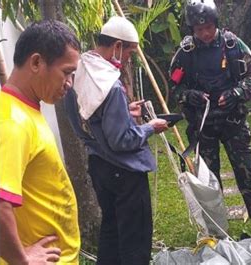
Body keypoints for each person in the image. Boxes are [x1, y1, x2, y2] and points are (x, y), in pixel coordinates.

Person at [168, 0, 251, 240]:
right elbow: (175, 87)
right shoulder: (185, 53)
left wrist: (236, 93)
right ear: (192, 30)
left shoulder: (233, 45)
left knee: (246, 172)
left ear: (216, 24)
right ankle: (216, 222)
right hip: (203, 126)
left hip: (234, 123)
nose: (205, 34)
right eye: (199, 30)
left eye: (208, 28)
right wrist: (190, 96)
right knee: (209, 177)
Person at [64, 16, 168, 265]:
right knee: (135, 238)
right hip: (125, 173)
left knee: (111, 229)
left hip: (99, 167)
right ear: (118, 46)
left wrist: (124, 110)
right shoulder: (110, 84)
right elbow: (121, 140)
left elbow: (88, 120)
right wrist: (150, 128)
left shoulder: (79, 70)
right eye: (130, 53)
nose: (128, 59)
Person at [0, 20, 81, 264]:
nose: (69, 83)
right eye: (66, 72)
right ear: (36, 62)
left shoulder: (27, 111)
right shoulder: (12, 122)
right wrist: (22, 260)